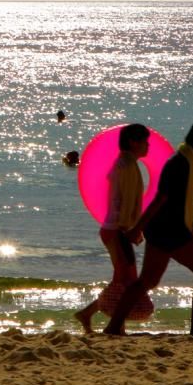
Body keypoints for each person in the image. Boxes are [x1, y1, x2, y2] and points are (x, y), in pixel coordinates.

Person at [105, 120, 193, 337]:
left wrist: (192, 231)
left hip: (164, 230)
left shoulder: (184, 161)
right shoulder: (180, 164)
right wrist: (137, 228)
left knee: (147, 281)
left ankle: (113, 327)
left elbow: (181, 203)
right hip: (169, 232)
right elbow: (161, 199)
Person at [74, 123, 150, 334]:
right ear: (133, 142)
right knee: (125, 281)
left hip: (117, 228)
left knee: (123, 279)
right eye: (144, 141)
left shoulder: (128, 163)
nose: (148, 146)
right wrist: (129, 229)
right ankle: (111, 324)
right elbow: (125, 203)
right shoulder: (125, 166)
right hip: (117, 229)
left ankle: (91, 315)